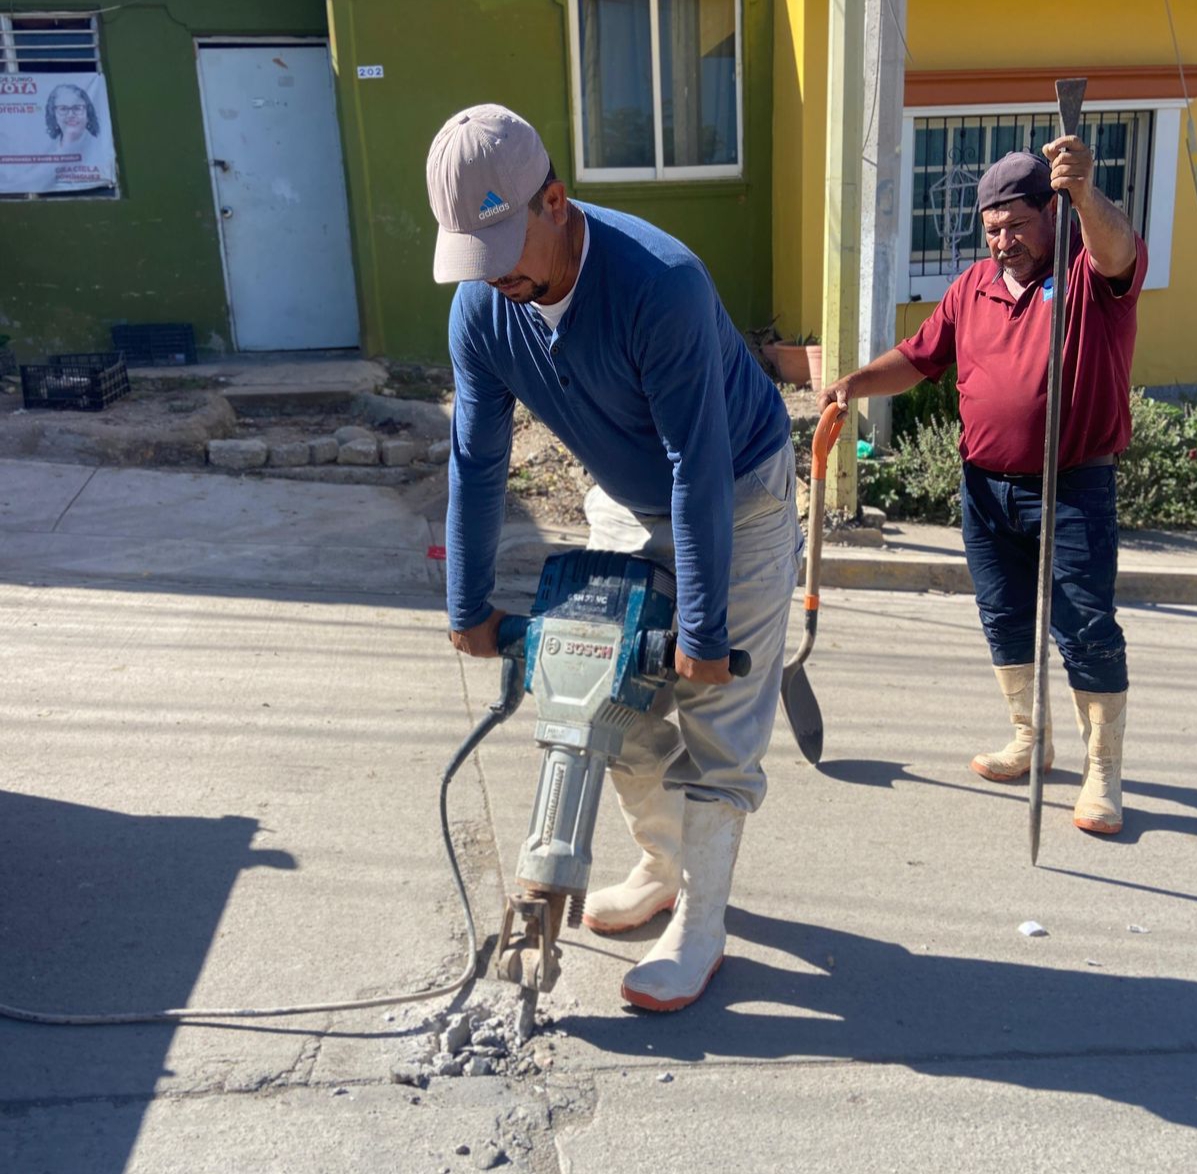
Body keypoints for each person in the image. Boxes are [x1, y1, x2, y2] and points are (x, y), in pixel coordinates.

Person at [425, 104, 801, 1011]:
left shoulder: (658, 283)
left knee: (713, 714)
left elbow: (697, 465)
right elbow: (477, 461)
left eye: (507, 248)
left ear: (555, 201)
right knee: (597, 691)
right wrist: (466, 606)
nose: (496, 278)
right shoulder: (483, 307)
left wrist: (704, 629)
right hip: (628, 501)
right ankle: (663, 862)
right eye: (476, 258)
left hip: (734, 494)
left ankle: (702, 925)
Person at [819, 140, 1145, 836]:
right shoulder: (972, 288)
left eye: (1016, 225)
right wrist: (853, 384)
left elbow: (1119, 250)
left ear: (1050, 216)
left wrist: (1084, 192)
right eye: (992, 228)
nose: (1003, 241)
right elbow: (917, 358)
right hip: (983, 487)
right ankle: (1031, 738)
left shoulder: (1090, 273)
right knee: (1001, 617)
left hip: (1071, 486)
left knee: (1085, 629)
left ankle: (1101, 771)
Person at [45, 84, 101, 154]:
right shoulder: (47, 152)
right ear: (53, 114)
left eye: (77, 108)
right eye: (63, 109)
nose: (70, 115)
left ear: (88, 113)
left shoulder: (101, 148)